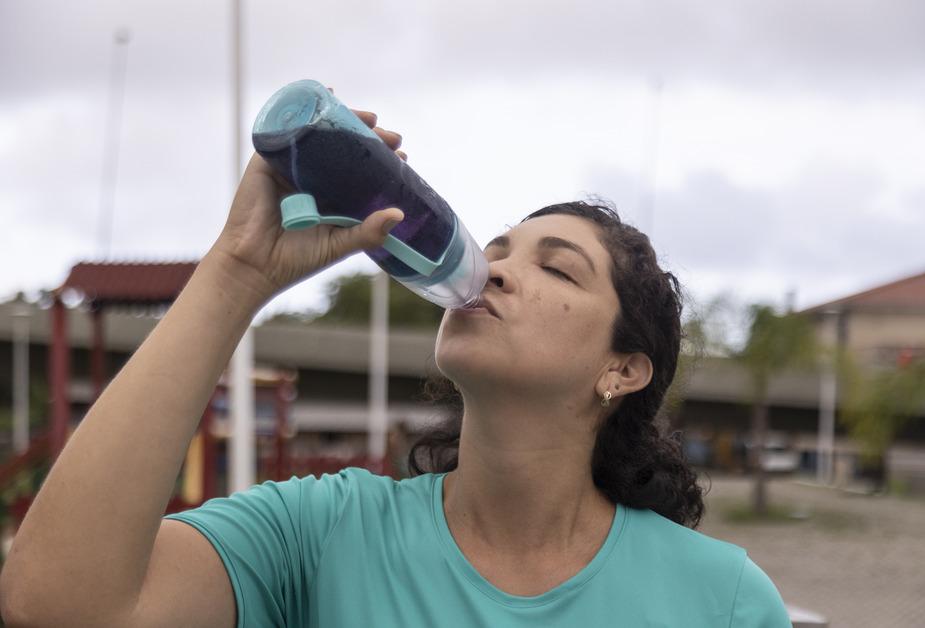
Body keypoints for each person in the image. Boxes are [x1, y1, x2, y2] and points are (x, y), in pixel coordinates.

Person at [0, 102, 792, 628]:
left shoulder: (721, 600)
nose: (498, 270)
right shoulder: (320, 534)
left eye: (557, 269)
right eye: (498, 250)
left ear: (624, 369)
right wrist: (237, 272)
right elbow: (55, 606)